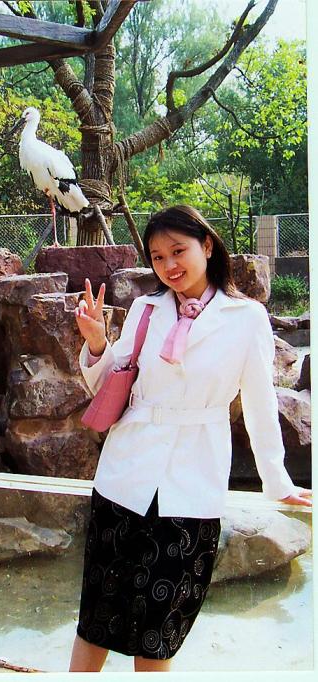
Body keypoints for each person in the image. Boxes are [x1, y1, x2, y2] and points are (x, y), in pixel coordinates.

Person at [69, 205, 312, 673]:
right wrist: (98, 342)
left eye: (178, 251)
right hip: (124, 477)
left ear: (207, 245)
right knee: (97, 616)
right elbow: (110, 385)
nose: (169, 265)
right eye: (158, 257)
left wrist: (277, 480)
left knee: (159, 632)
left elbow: (260, 403)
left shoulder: (246, 317)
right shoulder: (145, 309)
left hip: (193, 485)